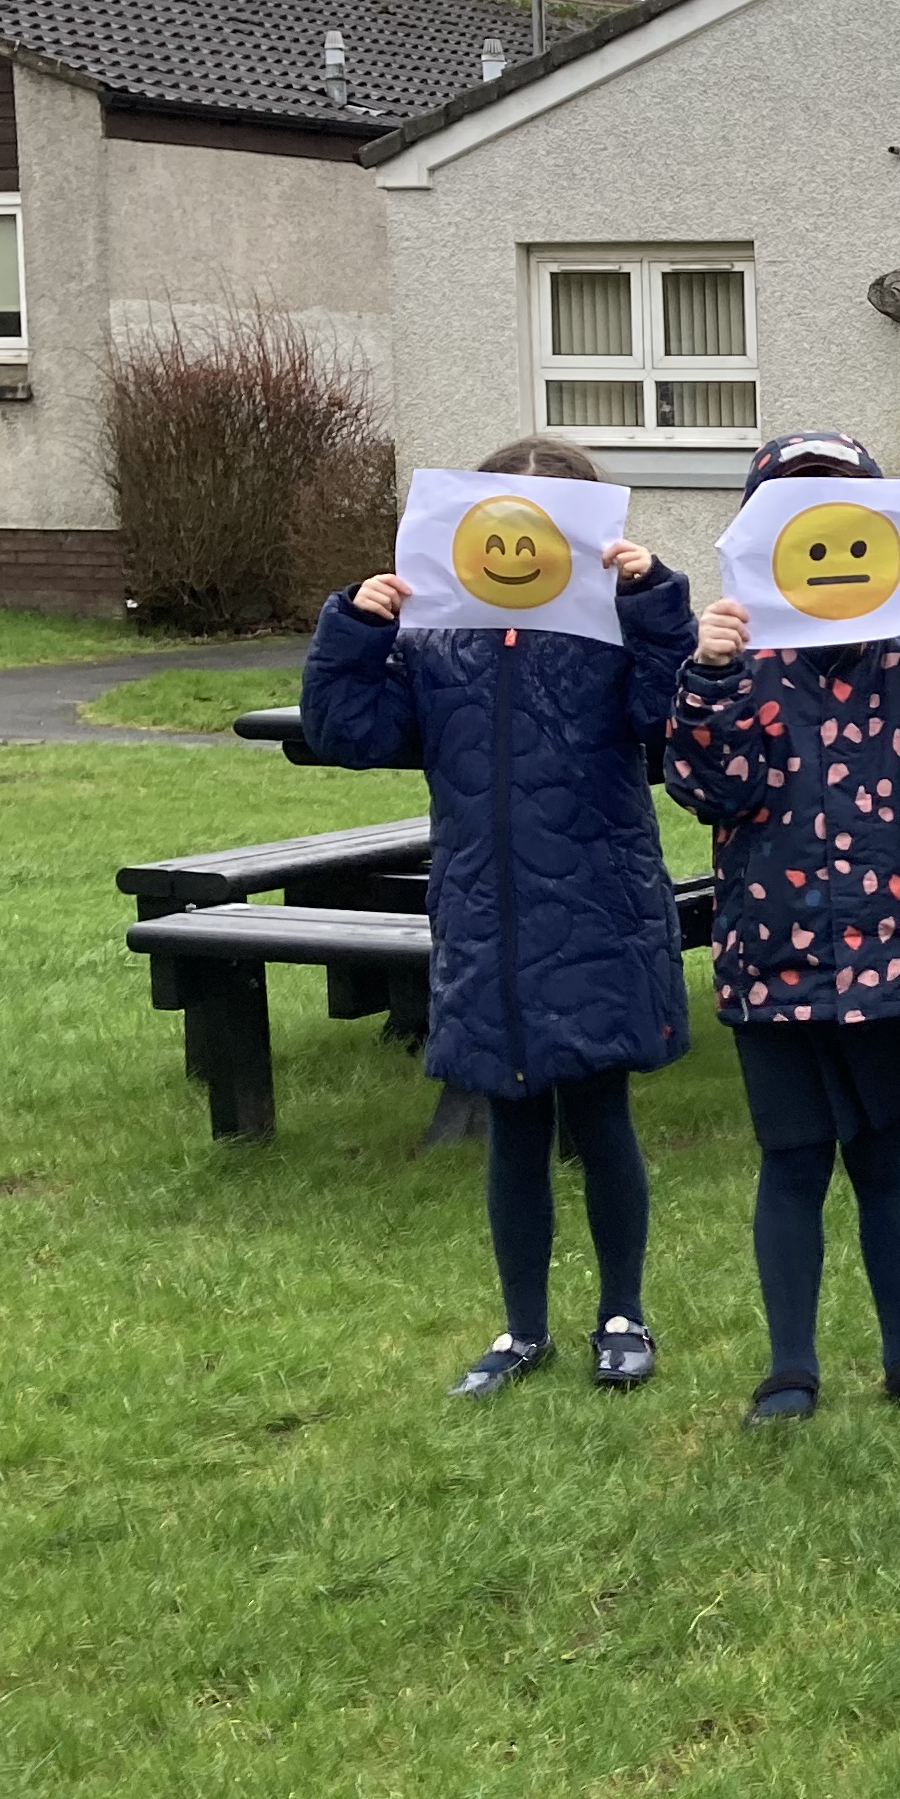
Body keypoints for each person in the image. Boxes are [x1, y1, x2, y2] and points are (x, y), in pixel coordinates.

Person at [303, 435, 697, 1398]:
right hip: (489, 916)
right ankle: (522, 1328)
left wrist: (653, 606)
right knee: (512, 1121)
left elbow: (675, 715)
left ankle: (622, 1313)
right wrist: (353, 629)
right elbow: (344, 730)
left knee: (602, 1116)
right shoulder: (439, 642)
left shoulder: (606, 625)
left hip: (599, 903)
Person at [664, 431, 900, 1423]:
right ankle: (790, 1368)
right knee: (795, 1161)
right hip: (778, 956)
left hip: (896, 952)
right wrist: (711, 680)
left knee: (887, 1156)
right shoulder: (746, 659)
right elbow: (710, 789)